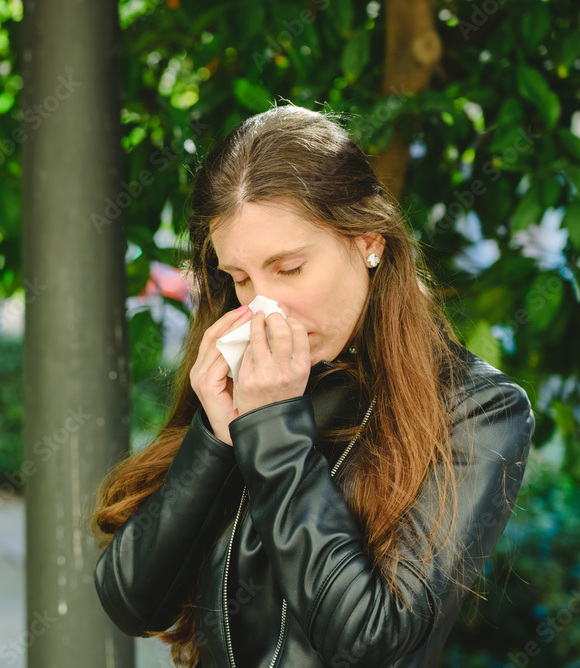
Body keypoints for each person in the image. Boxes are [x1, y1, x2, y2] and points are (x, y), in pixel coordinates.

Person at [90, 104, 534, 668]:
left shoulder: (478, 409)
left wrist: (273, 432)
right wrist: (214, 435)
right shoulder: (241, 381)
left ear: (368, 240)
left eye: (290, 268)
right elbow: (132, 602)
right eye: (242, 278)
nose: (265, 305)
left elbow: (370, 639)